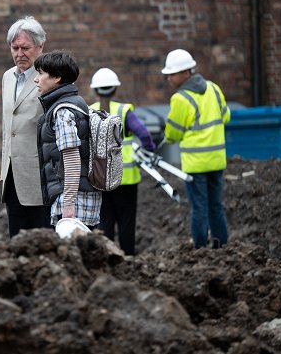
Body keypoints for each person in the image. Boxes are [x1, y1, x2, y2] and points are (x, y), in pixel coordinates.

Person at [161, 48, 230, 249]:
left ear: (186, 73)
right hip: (217, 160)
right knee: (216, 206)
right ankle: (222, 247)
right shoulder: (214, 88)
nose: (169, 79)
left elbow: (173, 134)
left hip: (196, 165)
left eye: (172, 74)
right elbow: (226, 117)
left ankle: (200, 250)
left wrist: (168, 137)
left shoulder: (180, 99)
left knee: (199, 208)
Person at [90, 67, 155, 255]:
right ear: (115, 89)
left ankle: (107, 258)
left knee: (104, 221)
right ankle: (128, 259)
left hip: (100, 179)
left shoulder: (90, 111)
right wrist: (147, 152)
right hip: (126, 179)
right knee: (126, 223)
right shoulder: (124, 110)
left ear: (95, 90)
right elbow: (145, 135)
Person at [34, 50, 102, 229]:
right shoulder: (76, 102)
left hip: (73, 202)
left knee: (74, 254)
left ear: (56, 78)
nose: (36, 79)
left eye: (41, 73)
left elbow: (72, 158)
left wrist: (68, 204)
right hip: (82, 197)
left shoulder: (63, 111)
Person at [0, 16, 51, 238]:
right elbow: (8, 128)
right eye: (15, 48)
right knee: (16, 242)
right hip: (12, 176)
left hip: (40, 177)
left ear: (40, 47)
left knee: (41, 241)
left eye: (25, 48)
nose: (19, 54)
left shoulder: (49, 79)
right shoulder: (7, 77)